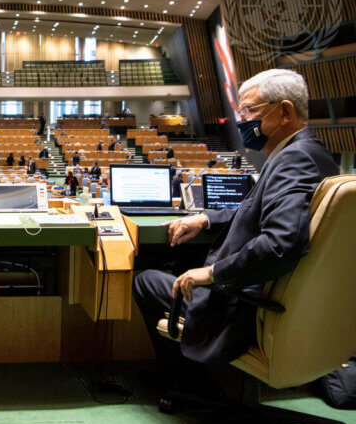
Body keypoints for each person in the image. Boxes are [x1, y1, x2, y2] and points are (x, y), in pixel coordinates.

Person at [133, 69, 339, 368]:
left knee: (146, 280)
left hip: (244, 304)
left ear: (285, 112)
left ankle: (186, 382)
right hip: (291, 300)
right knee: (180, 268)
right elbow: (262, 210)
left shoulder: (294, 160)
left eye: (249, 110)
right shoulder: (313, 153)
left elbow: (281, 242)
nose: (241, 120)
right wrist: (205, 219)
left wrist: (213, 273)